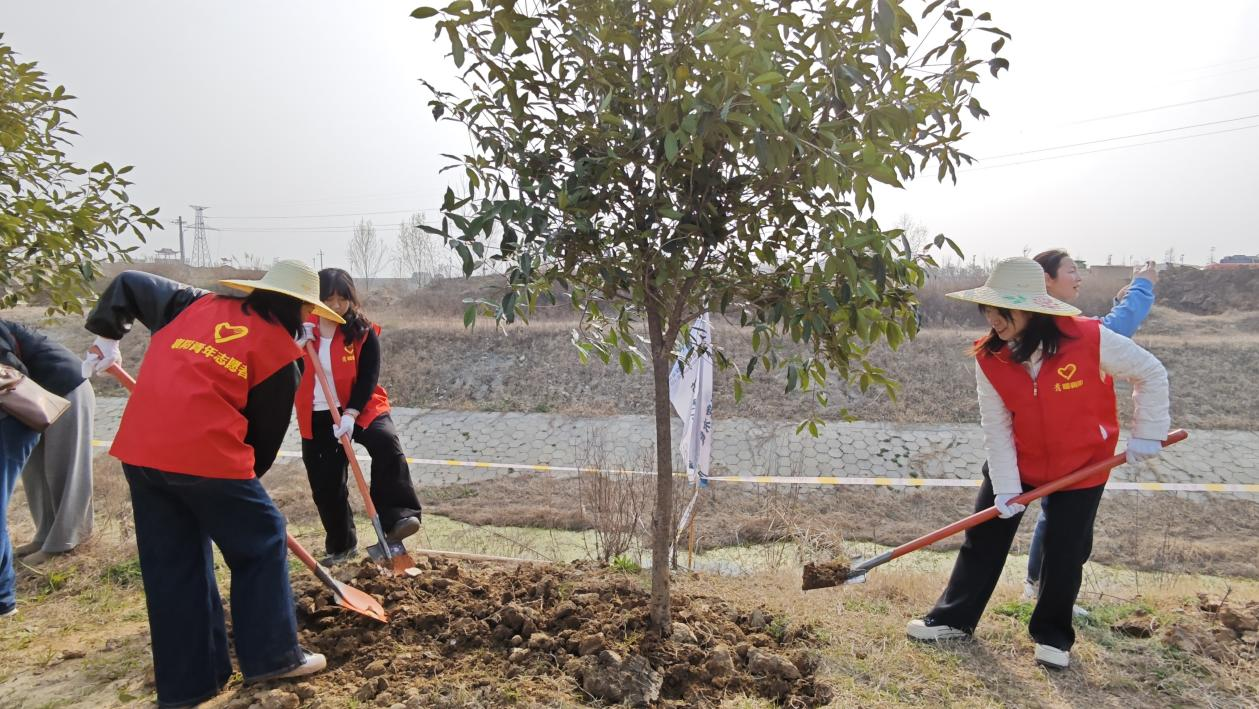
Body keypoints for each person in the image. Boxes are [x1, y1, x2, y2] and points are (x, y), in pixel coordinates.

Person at [81, 260, 341, 707]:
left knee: (173, 567)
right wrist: (231, 492)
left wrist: (108, 339)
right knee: (260, 541)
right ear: (299, 309)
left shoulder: (190, 303)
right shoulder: (281, 356)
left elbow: (129, 283)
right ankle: (274, 657)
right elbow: (261, 444)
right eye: (307, 313)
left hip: (141, 451)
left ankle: (189, 687)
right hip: (206, 456)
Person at [906, 257, 1170, 670]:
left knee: (1065, 551)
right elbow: (995, 425)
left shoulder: (1089, 338)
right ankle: (953, 619)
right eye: (988, 310)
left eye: (1001, 310)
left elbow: (1151, 373)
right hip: (1018, 460)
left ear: (1031, 309)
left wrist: (1148, 432)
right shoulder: (989, 357)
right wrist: (1008, 486)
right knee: (983, 539)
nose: (992, 319)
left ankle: (1053, 636)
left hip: (1082, 464)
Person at [1023, 252, 1158, 601]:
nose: (1079, 277)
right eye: (1071, 270)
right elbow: (1113, 330)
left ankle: (1040, 586)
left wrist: (1127, 297)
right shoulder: (1058, 327)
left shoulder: (1052, 323)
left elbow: (1108, 328)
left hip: (1071, 444)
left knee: (1060, 520)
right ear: (1046, 280)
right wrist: (1142, 288)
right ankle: (1043, 589)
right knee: (1067, 527)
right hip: (1065, 446)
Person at [295, 268, 421, 566]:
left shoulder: (362, 332)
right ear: (316, 300)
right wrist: (294, 343)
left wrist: (351, 414)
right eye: (329, 298)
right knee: (326, 483)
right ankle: (341, 545)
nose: (337, 305)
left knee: (386, 441)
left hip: (360, 406)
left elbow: (368, 376)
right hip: (317, 412)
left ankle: (398, 518)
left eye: (343, 298)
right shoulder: (301, 328)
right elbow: (275, 363)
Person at [0, 320, 96, 567]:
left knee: (64, 466)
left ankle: (65, 543)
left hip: (65, 388)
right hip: (30, 398)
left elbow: (11, 371)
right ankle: (44, 536)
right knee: (36, 472)